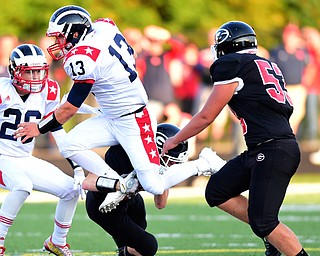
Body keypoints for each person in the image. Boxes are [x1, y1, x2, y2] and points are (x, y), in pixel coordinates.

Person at [13, 5, 225, 213]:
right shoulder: (104, 27)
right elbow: (128, 52)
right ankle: (119, 184)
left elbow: (70, 108)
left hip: (134, 118)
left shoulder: (82, 58)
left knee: (155, 186)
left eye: (60, 36)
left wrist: (39, 128)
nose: (57, 42)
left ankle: (203, 162)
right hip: (111, 115)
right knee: (69, 145)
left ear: (76, 33)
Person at [161, 21, 309, 256]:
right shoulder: (266, 63)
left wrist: (175, 139)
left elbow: (207, 116)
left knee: (265, 222)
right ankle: (272, 237)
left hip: (272, 149)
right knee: (218, 190)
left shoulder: (232, 64)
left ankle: (273, 236)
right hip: (267, 147)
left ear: (227, 45)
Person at [0, 44, 81, 256]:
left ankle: (57, 241)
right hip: (1, 156)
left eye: (39, 71)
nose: (35, 77)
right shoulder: (2, 90)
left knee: (72, 190)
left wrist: (76, 162)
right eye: (29, 71)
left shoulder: (49, 89)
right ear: (15, 71)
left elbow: (55, 126)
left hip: (23, 157)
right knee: (22, 186)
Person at [86, 123, 188, 256]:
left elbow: (160, 203)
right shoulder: (125, 152)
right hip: (103, 206)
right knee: (148, 246)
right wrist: (119, 185)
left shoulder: (153, 162)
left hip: (129, 200)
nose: (172, 165)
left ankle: (124, 252)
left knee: (138, 220)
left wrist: (162, 175)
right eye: (171, 161)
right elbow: (88, 182)